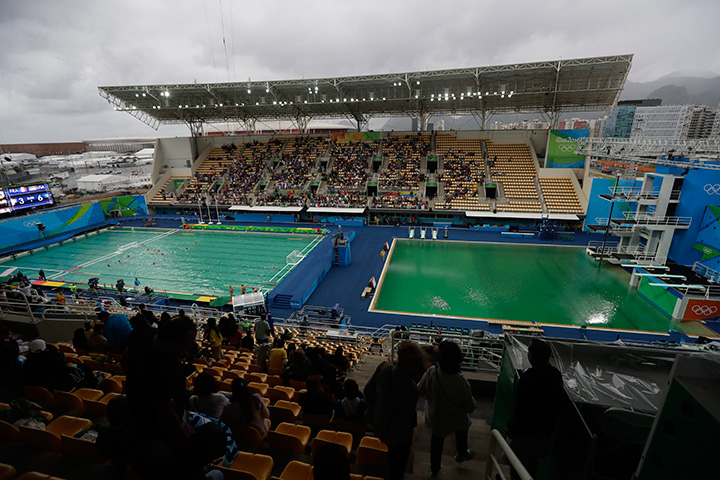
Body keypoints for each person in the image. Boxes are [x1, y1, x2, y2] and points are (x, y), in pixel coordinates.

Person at [365, 341, 428, 480]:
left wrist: (376, 420)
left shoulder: (383, 368)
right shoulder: (412, 390)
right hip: (398, 439)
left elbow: (368, 392)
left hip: (379, 426)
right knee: (396, 471)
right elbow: (400, 423)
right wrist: (388, 440)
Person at [506, 339, 568, 480]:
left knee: (517, 464)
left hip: (526, 434)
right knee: (532, 461)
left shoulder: (527, 379)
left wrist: (512, 428)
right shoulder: (555, 375)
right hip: (545, 433)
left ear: (532, 356)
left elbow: (521, 410)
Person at [418, 341, 476, 477]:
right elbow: (470, 407)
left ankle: (434, 469)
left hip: (436, 417)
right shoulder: (461, 382)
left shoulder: (432, 372)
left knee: (436, 443)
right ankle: (462, 453)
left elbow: (419, 390)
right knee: (462, 430)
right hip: (457, 419)